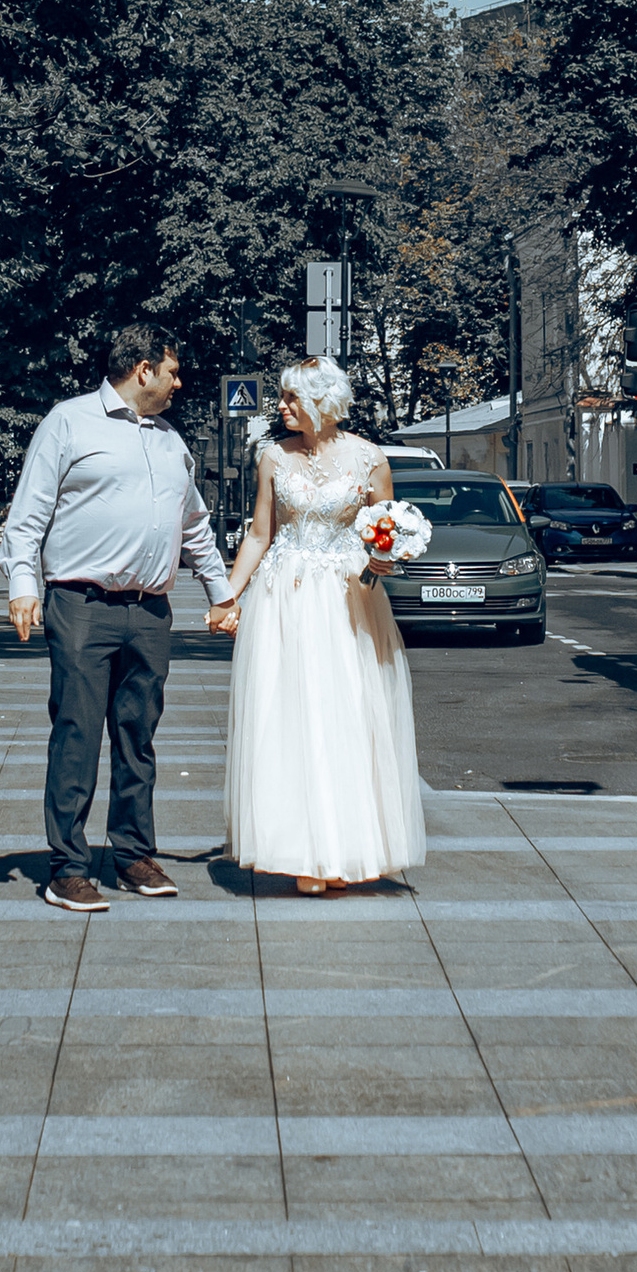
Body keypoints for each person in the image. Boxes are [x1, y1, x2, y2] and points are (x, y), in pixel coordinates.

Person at [4, 325, 230, 912]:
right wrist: (22, 585)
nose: (180, 381)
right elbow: (28, 514)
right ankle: (68, 868)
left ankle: (132, 855)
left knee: (138, 739)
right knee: (77, 735)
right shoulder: (69, 421)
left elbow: (194, 527)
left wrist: (221, 594)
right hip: (81, 606)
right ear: (141, 368)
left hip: (150, 611)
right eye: (173, 370)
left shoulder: (170, 440)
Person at [210, 357, 428, 892]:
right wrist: (226, 595)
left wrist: (385, 559)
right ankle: (303, 854)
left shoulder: (370, 460)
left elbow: (387, 531)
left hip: (345, 602)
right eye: (282, 397)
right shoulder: (271, 458)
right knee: (287, 721)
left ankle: (345, 849)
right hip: (282, 601)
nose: (281, 406)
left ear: (323, 402)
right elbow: (260, 535)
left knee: (344, 718)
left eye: (290, 398)